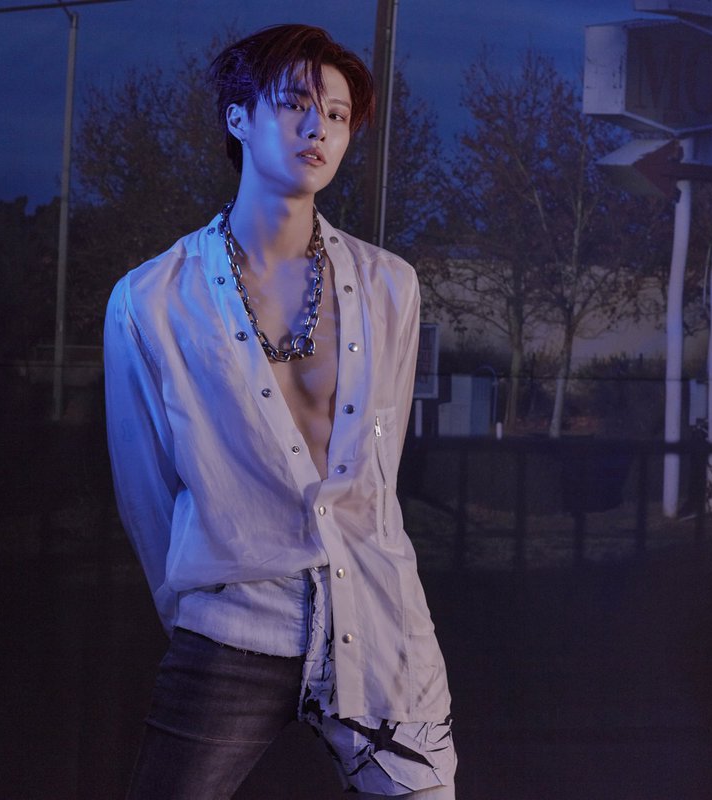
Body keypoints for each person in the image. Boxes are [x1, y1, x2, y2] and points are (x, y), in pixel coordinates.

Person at [103, 23, 456, 799]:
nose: (317, 128)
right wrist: (205, 599)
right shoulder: (152, 300)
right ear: (238, 117)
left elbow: (377, 472)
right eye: (295, 104)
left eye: (336, 114)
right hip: (233, 630)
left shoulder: (391, 285)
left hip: (383, 627)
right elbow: (145, 495)